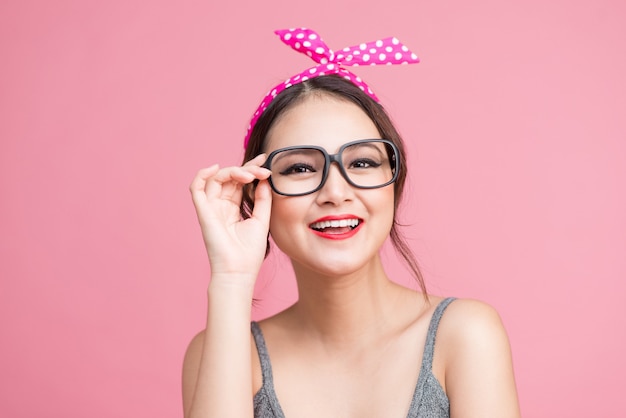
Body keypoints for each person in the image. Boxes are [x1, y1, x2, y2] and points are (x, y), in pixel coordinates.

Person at [182, 28, 521, 418]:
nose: (335, 192)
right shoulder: (222, 353)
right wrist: (230, 278)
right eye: (300, 168)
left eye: (362, 162)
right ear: (257, 193)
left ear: (394, 182)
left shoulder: (465, 335)